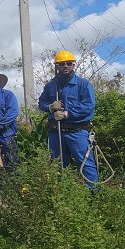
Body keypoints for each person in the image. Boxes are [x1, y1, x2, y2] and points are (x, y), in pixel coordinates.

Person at [37, 50, 98, 189]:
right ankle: (62, 195)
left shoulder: (83, 84)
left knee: (86, 163)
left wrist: (67, 114)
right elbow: (42, 103)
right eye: (62, 64)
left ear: (73, 65)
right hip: (55, 132)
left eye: (69, 63)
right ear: (56, 66)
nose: (66, 66)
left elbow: (88, 105)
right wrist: (51, 107)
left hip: (77, 132)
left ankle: (96, 196)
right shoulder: (51, 86)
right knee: (57, 165)